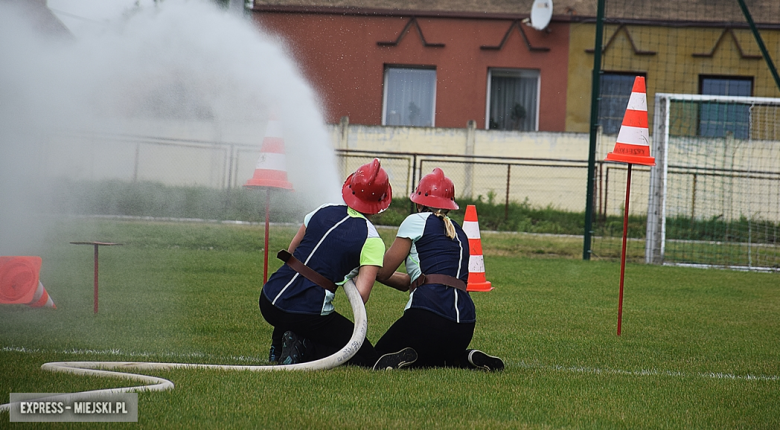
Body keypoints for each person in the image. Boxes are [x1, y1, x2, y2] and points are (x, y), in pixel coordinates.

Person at [259, 159, 417, 370]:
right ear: (382, 201)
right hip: (307, 313)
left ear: (350, 186)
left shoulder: (322, 210)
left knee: (293, 309)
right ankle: (303, 347)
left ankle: (279, 345)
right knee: (363, 353)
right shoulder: (371, 240)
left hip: (268, 300)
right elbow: (360, 296)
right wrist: (349, 270)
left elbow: (292, 251)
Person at [375, 167, 504, 371]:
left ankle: (418, 357)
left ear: (418, 201)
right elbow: (411, 282)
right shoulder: (458, 231)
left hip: (427, 317)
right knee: (439, 360)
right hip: (465, 325)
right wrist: (371, 274)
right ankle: (462, 357)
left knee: (375, 356)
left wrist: (364, 267)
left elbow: (382, 271)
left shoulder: (415, 221)